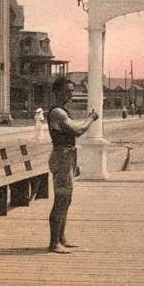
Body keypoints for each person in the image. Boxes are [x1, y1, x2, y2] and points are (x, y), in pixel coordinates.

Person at [47, 76, 98, 254]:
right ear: (56, 92)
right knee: (61, 198)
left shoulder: (64, 111)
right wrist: (91, 118)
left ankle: (61, 238)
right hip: (61, 156)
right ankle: (54, 243)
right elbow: (77, 131)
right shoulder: (57, 112)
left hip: (68, 155)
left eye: (71, 91)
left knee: (67, 199)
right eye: (66, 91)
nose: (70, 94)